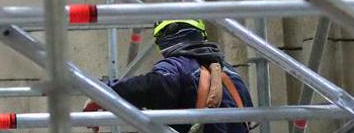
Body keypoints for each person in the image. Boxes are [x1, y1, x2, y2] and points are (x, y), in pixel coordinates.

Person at [92, 19, 254, 133]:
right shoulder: (231, 74)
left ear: (165, 37)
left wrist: (101, 91)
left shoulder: (177, 66)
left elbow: (152, 85)